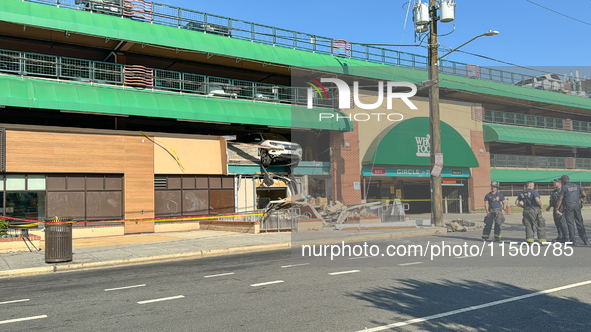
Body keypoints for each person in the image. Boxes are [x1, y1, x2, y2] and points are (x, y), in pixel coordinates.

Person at [556, 175, 589, 245]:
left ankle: (573, 240)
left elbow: (560, 199)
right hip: (577, 205)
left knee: (570, 224)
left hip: (569, 206)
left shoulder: (564, 188)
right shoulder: (576, 186)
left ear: (563, 181)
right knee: (580, 222)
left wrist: (557, 208)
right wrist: (579, 197)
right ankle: (585, 240)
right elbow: (584, 194)